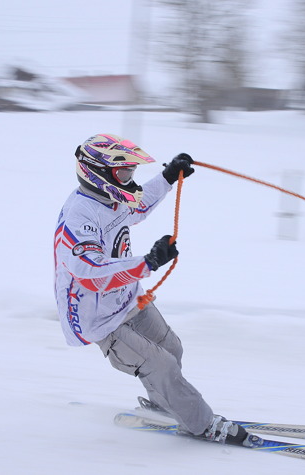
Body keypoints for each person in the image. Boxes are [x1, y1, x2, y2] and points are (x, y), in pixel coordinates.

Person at [53, 133, 248, 446]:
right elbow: (90, 273)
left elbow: (138, 207)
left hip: (126, 298)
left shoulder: (111, 198)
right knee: (161, 364)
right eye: (124, 172)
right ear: (98, 172)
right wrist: (148, 262)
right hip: (97, 317)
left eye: (132, 171)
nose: (130, 179)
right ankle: (201, 425)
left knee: (173, 349)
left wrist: (169, 176)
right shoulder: (80, 217)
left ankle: (165, 403)